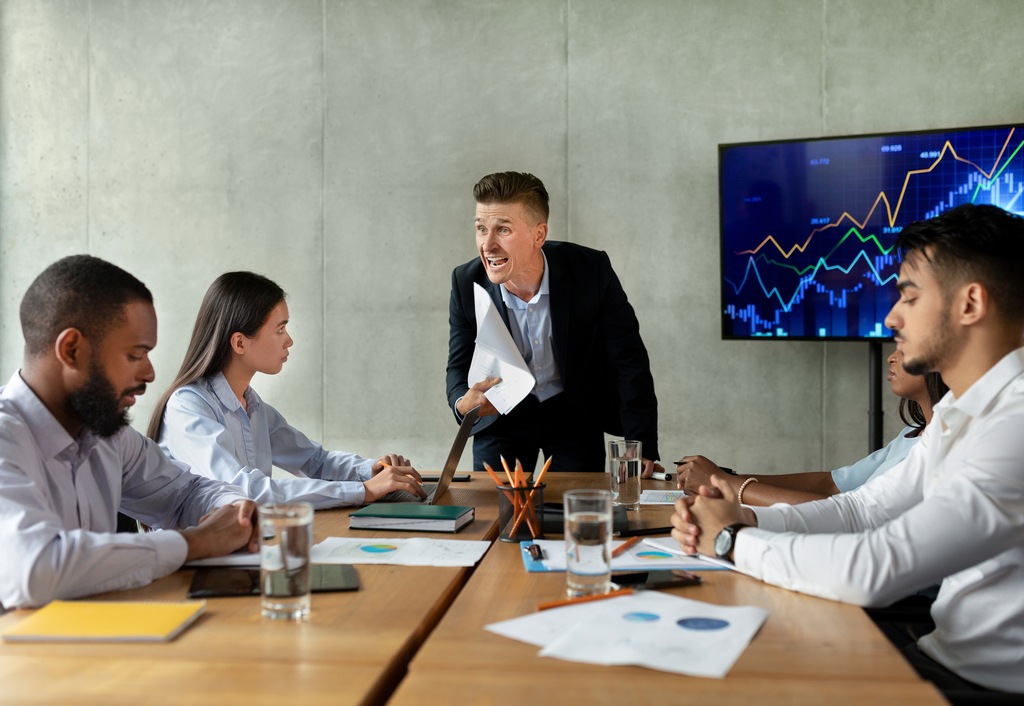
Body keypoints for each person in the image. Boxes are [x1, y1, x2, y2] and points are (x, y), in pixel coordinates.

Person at [672, 203, 1024, 697]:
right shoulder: (958, 412)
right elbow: (864, 509)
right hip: (938, 656)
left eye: (909, 296)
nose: (891, 317)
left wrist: (731, 541)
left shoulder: (1015, 426)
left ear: (970, 304)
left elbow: (879, 566)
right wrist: (748, 520)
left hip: (974, 689)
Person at [0, 256, 259, 610]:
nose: (151, 374)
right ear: (71, 350)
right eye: (136, 355)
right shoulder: (6, 437)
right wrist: (196, 543)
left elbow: (186, 491)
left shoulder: (106, 433)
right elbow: (35, 569)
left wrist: (232, 510)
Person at [148, 271, 425, 508]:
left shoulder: (254, 407)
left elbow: (315, 461)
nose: (289, 341)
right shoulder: (188, 407)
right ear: (240, 343)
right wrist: (364, 491)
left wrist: (372, 470)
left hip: (242, 546)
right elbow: (244, 492)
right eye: (280, 330)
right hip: (194, 560)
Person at [447, 171, 662, 475]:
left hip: (574, 415)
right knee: (497, 517)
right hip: (502, 418)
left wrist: (640, 443)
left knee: (577, 516)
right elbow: (457, 365)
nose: (488, 244)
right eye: (481, 229)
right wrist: (461, 404)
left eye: (503, 229)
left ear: (539, 235)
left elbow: (628, 361)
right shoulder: (465, 282)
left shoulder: (591, 270)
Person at [676, 348, 948, 505]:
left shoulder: (943, 446)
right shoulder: (912, 433)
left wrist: (727, 485)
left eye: (905, 343)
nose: (891, 356)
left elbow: (849, 515)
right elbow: (831, 484)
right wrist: (724, 479)